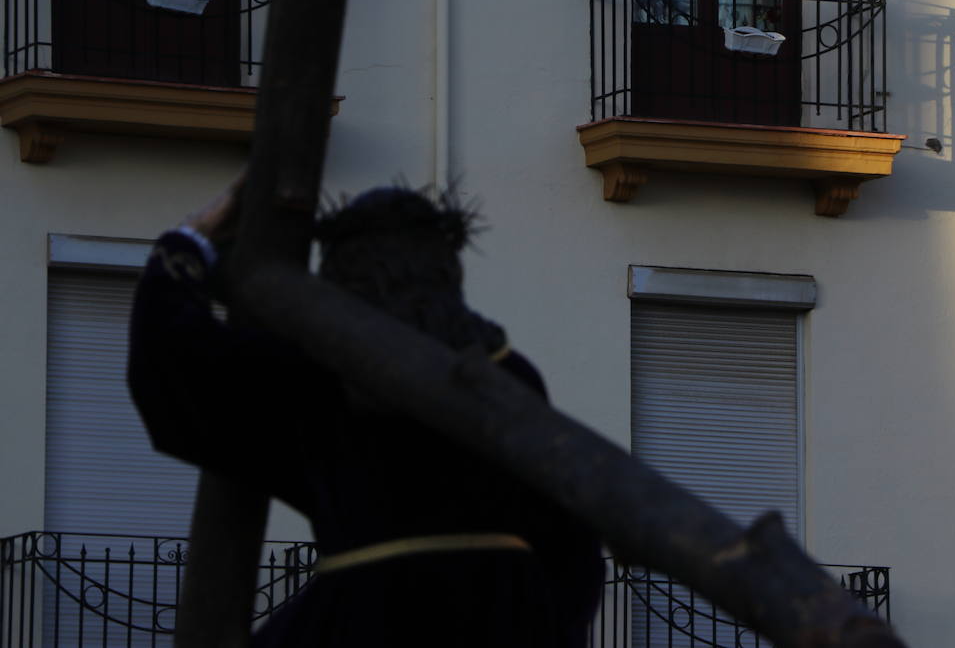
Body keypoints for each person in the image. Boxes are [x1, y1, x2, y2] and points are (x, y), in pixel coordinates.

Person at [127, 183, 603, 647]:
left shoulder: (319, 377)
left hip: (363, 617)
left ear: (342, 277)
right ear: (447, 270)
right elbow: (573, 542)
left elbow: (176, 359)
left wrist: (190, 240)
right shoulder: (512, 372)